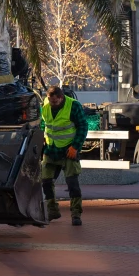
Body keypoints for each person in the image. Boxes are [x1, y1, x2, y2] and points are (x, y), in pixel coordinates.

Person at [39, 84, 89, 226]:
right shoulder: (46, 105)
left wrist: (75, 147)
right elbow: (44, 124)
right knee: (46, 181)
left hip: (68, 149)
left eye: (55, 101)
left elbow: (83, 126)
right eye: (50, 100)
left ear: (61, 98)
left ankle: (76, 214)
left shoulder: (73, 106)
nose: (52, 103)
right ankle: (52, 210)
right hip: (51, 149)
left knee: (72, 183)